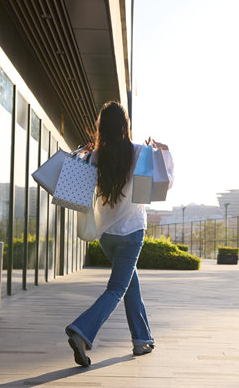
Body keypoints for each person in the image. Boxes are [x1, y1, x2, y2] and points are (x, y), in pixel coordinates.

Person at [65, 101, 173, 367]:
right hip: (132, 231)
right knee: (116, 289)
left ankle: (142, 339)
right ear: (125, 126)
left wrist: (84, 153)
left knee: (129, 284)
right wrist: (163, 151)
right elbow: (164, 183)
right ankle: (81, 332)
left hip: (106, 236)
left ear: (101, 127)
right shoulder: (139, 153)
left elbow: (70, 184)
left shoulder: (94, 157)